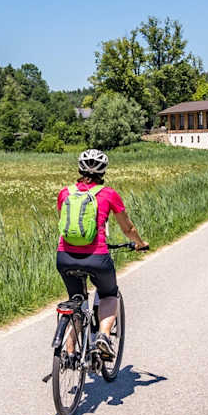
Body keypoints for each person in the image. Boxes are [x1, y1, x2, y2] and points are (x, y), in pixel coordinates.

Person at [56, 148, 148, 358]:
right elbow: (128, 229)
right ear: (103, 171)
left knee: (76, 300)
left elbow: (64, 224)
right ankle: (103, 336)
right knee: (108, 294)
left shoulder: (65, 192)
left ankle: (68, 353)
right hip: (96, 257)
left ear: (79, 168)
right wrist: (140, 243)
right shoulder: (108, 194)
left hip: (65, 256)